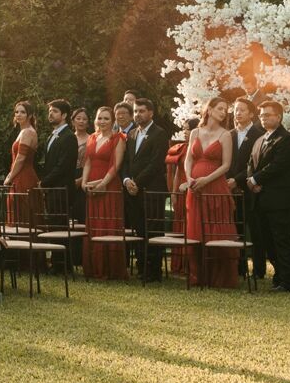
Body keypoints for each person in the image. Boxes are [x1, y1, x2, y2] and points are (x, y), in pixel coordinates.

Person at [180, 97, 239, 288]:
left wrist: (206, 179)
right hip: (194, 188)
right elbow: (188, 159)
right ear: (210, 109)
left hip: (215, 187)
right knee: (196, 230)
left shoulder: (225, 135)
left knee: (216, 229)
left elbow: (226, 165)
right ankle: (198, 275)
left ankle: (219, 277)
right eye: (220, 108)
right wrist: (189, 178)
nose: (224, 112)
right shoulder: (195, 131)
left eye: (226, 109)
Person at [245, 100, 290, 292]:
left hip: (280, 199)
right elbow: (250, 163)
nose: (263, 118)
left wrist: (257, 179)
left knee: (282, 239)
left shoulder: (286, 139)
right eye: (261, 115)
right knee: (267, 240)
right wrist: (251, 181)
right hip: (261, 199)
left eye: (267, 115)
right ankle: (278, 276)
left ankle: (287, 281)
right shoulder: (260, 139)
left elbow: (278, 165)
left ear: (278, 117)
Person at [121, 95, 170, 283]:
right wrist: (126, 181)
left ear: (151, 112)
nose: (137, 115)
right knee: (139, 229)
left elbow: (156, 163)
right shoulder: (131, 134)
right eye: (135, 111)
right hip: (132, 189)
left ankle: (154, 270)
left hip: (152, 189)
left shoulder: (159, 133)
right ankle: (141, 267)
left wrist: (137, 183)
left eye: (141, 111)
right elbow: (126, 162)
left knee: (154, 229)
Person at [80, 105, 128, 281]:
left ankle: (110, 269)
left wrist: (102, 184)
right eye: (100, 118)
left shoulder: (119, 138)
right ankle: (94, 267)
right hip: (92, 186)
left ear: (113, 121)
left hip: (109, 186)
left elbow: (116, 165)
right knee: (94, 224)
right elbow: (87, 162)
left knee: (108, 224)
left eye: (106, 118)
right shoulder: (92, 138)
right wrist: (84, 182)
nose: (102, 122)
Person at [227, 97, 261, 280]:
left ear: (251, 114)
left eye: (241, 110)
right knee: (235, 228)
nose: (237, 113)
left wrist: (237, 179)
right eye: (235, 109)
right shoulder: (229, 134)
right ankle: (238, 267)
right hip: (229, 188)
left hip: (249, 188)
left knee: (255, 229)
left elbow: (254, 164)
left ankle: (258, 269)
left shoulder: (258, 134)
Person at [3, 101, 39, 197]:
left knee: (22, 210)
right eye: (16, 112)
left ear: (30, 115)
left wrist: (10, 177)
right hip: (18, 175)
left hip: (24, 177)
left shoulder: (28, 132)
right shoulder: (23, 131)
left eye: (23, 112)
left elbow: (20, 158)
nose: (19, 114)